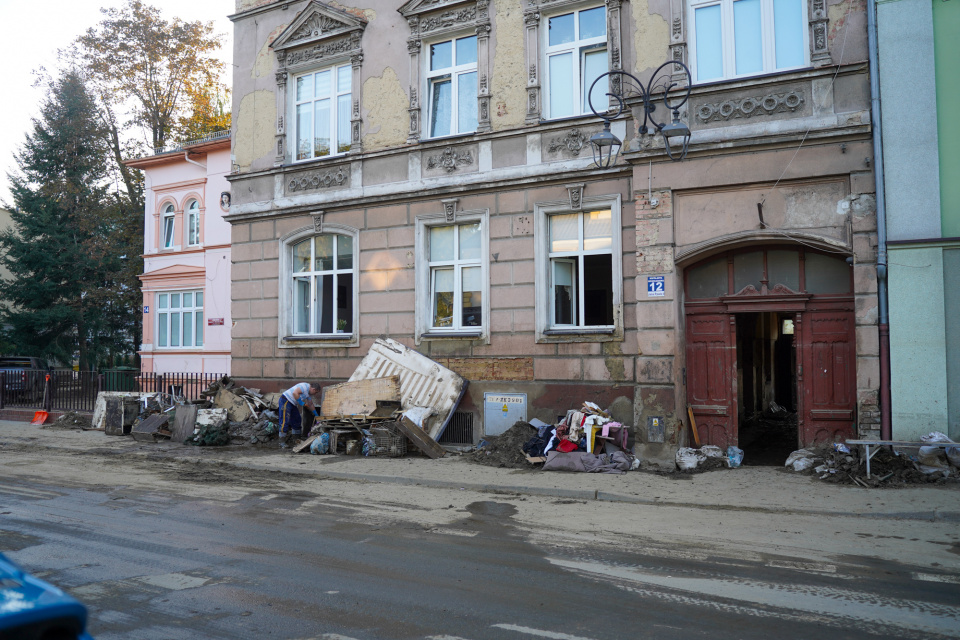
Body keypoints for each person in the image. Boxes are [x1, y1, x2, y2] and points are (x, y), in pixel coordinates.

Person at [278, 381, 320, 447]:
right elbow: (295, 393)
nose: (315, 394)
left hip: (292, 403)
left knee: (297, 420)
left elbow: (310, 404)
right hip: (285, 400)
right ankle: (281, 441)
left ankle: (296, 440)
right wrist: (301, 403)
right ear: (313, 389)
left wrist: (316, 415)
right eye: (316, 392)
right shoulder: (305, 386)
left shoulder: (309, 394)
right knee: (285, 420)